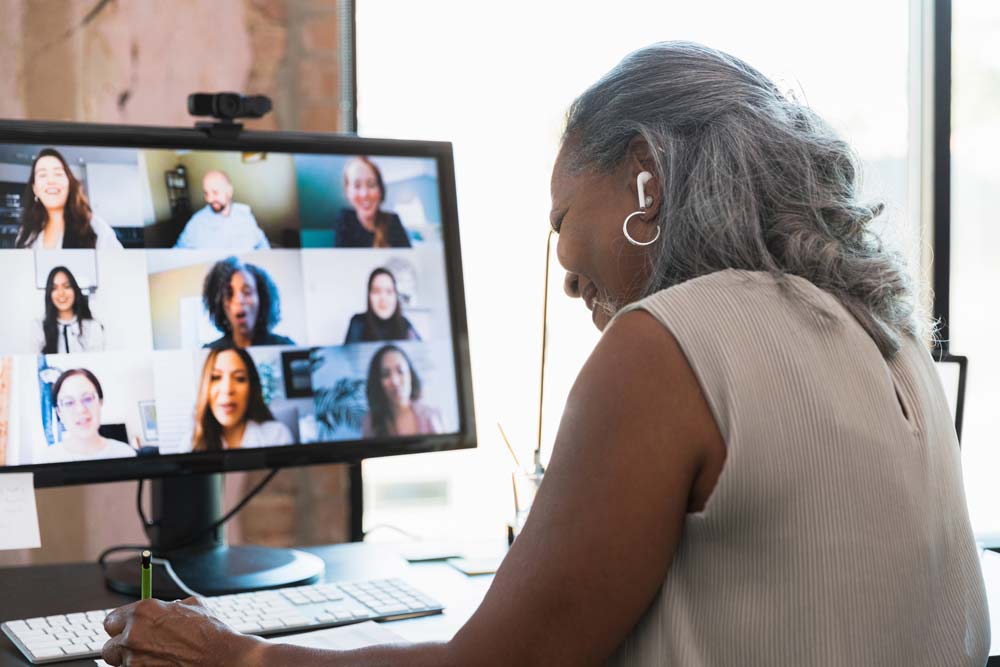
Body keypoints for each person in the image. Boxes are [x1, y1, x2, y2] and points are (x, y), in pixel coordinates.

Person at [100, 42, 989, 666]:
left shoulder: (668, 345)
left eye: (560, 218)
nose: (565, 273)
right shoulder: (888, 333)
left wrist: (240, 656)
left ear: (645, 171)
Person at [15, 148, 123, 249]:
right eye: (42, 175)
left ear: (69, 183)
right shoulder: (27, 233)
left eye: (58, 173)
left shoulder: (94, 226)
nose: (51, 180)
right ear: (35, 189)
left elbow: (119, 265)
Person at [191, 346, 293, 451]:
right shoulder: (190, 443)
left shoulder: (277, 436)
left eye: (239, 378)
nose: (227, 389)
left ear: (251, 388)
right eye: (216, 377)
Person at [202, 256, 296, 349]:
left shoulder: (285, 347)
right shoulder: (210, 353)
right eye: (229, 294)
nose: (239, 301)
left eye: (247, 292)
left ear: (261, 298)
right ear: (219, 304)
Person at [44, 369, 135, 462]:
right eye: (69, 402)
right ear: (59, 413)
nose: (80, 409)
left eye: (87, 399)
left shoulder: (126, 453)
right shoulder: (46, 459)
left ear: (100, 402)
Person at [174, 170, 271, 250]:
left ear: (229, 191)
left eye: (215, 192)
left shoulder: (246, 217)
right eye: (206, 193)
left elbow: (262, 244)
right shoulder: (197, 222)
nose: (209, 199)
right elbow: (177, 252)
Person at [361, 344, 442, 438]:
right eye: (386, 374)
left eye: (400, 371)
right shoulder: (370, 423)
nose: (395, 381)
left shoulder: (431, 416)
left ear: (410, 375)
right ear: (378, 382)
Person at [334, 156, 412, 248]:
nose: (364, 194)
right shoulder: (345, 219)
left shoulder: (393, 221)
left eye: (371, 185)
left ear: (380, 190)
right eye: (357, 186)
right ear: (348, 192)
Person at [34, 266, 105, 353]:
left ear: (75, 290)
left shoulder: (92, 326)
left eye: (66, 286)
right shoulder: (39, 327)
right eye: (54, 288)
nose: (61, 293)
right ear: (49, 294)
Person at [344, 268, 421, 343]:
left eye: (389, 291)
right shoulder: (358, 323)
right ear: (369, 296)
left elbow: (421, 351)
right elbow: (348, 355)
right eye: (376, 291)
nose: (383, 298)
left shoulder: (404, 324)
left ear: (396, 296)